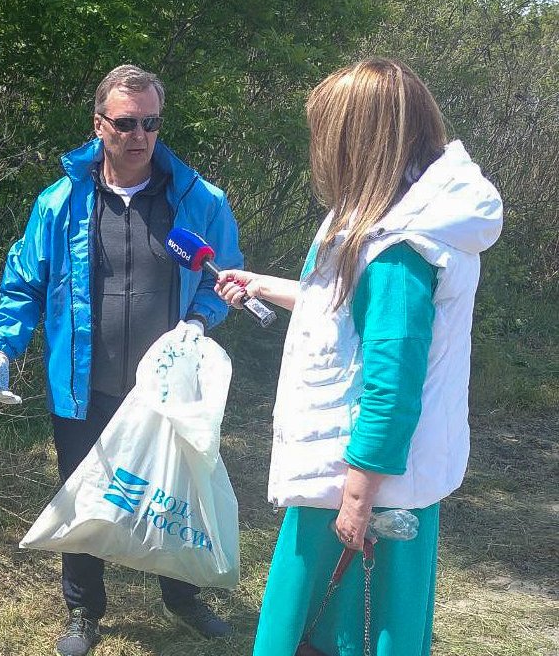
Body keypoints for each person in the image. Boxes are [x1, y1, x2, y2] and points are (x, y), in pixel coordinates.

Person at [214, 58, 502, 655]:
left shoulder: (400, 248)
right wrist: (263, 285)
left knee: (343, 631)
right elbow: (342, 312)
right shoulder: (383, 220)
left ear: (358, 141)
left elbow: (393, 384)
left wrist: (357, 496)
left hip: (362, 484)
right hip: (353, 476)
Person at [0, 64, 243, 656]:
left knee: (175, 491)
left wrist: (200, 321)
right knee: (82, 495)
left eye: (150, 122)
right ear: (99, 124)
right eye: (126, 123)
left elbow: (222, 274)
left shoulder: (197, 201)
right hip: (84, 383)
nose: (139, 135)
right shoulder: (60, 203)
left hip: (165, 388)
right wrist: (2, 345)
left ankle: (182, 596)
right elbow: (24, 283)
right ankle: (83, 610)